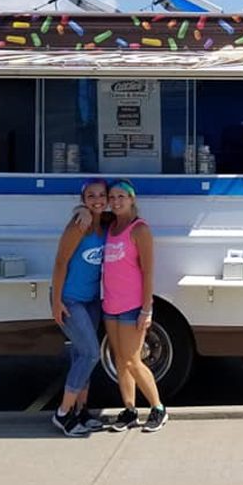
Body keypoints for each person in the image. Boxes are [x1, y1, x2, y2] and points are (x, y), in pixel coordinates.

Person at [103, 178, 168, 432]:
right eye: (112, 197)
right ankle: (130, 410)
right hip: (110, 305)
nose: (116, 202)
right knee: (120, 360)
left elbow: (148, 272)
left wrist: (146, 308)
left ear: (132, 199)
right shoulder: (110, 227)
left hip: (132, 306)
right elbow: (86, 212)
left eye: (121, 197)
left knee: (132, 360)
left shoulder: (139, 230)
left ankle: (158, 408)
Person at [50, 178, 108, 437]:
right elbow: (60, 263)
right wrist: (56, 301)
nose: (97, 200)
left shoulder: (104, 225)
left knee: (80, 355)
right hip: (70, 300)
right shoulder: (78, 224)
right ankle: (63, 413)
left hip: (91, 300)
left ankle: (81, 411)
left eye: (101, 195)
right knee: (91, 354)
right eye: (91, 196)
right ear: (83, 200)